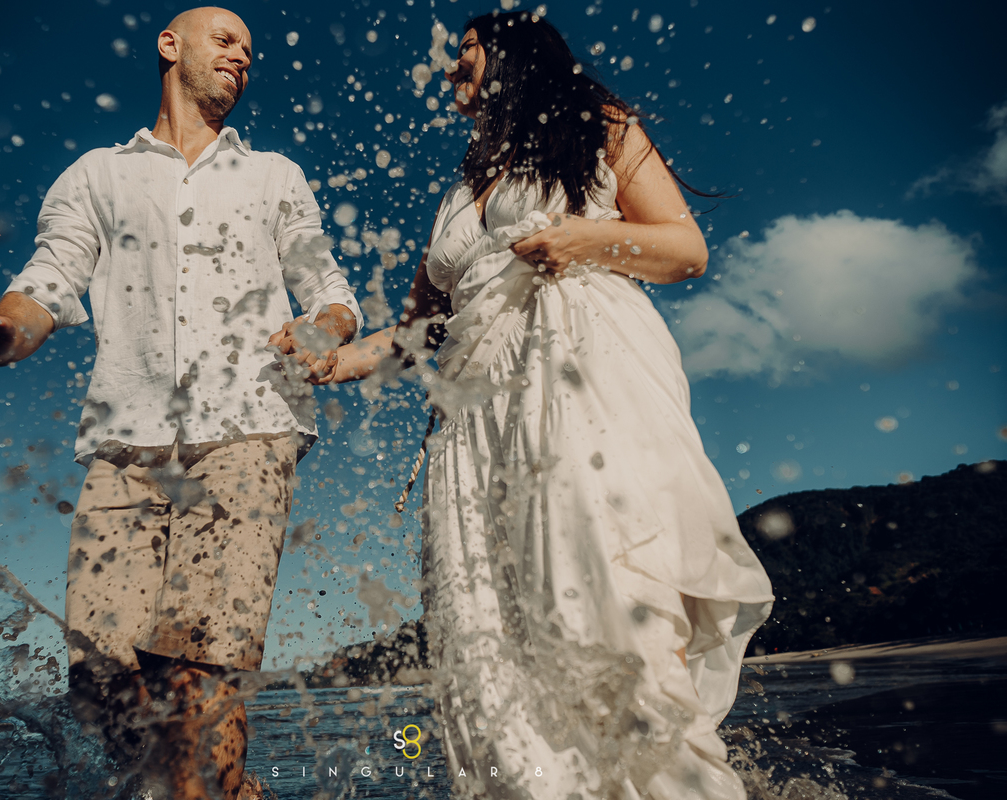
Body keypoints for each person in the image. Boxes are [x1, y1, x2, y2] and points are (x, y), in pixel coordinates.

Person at [312, 9, 773, 799]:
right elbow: (417, 332)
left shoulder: (599, 126)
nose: (450, 67)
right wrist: (328, 363)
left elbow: (684, 249)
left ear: (513, 56)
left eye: (465, 50)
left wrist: (583, 239)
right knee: (488, 636)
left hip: (578, 372)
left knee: (599, 584)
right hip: (472, 414)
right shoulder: (458, 192)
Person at [0, 7, 362, 799]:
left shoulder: (275, 175)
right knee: (104, 684)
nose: (241, 56)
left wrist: (322, 329)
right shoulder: (96, 174)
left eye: (250, 50)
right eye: (225, 40)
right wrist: (3, 336)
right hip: (125, 449)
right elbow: (48, 281)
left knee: (197, 668)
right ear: (170, 46)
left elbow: (330, 290)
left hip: (248, 433)